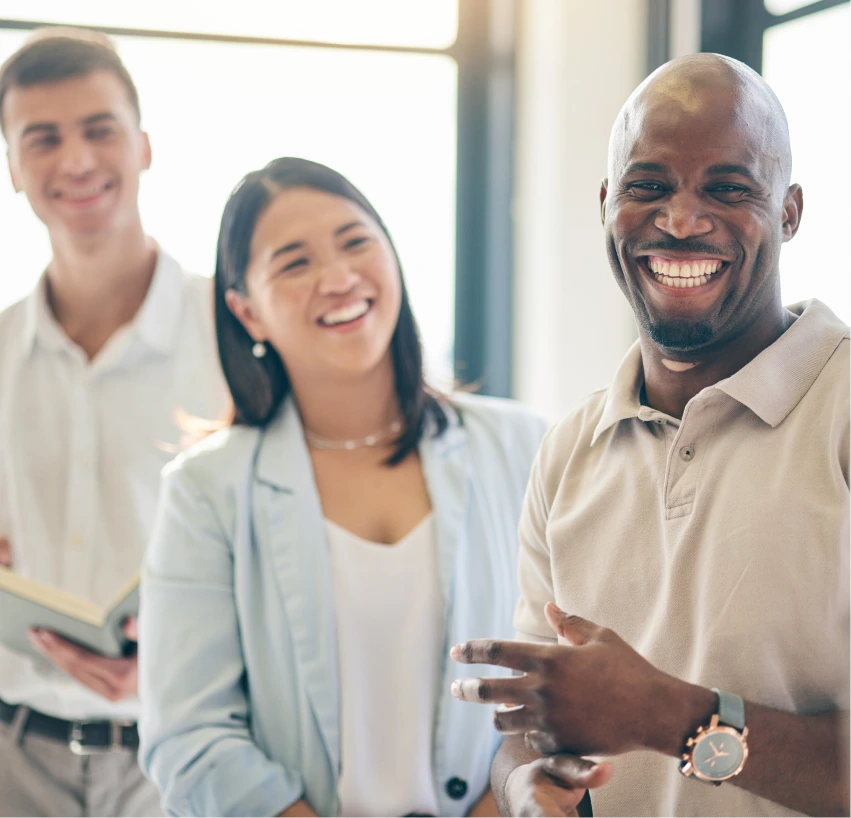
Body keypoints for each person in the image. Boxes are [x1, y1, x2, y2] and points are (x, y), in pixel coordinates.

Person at [449, 53, 851, 818]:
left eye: (728, 189)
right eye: (647, 186)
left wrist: (665, 717)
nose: (680, 220)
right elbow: (529, 733)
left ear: (790, 212)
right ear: (607, 202)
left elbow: (640, 712)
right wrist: (521, 785)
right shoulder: (569, 451)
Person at [137, 156, 548, 818]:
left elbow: (572, 676)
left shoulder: (526, 445)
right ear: (247, 312)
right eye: (294, 263)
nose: (337, 277)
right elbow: (188, 737)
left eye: (356, 242)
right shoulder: (205, 489)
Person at [0, 29, 225, 817]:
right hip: (11, 756)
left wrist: (170, 662)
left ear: (144, 147)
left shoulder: (233, 334)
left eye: (99, 130)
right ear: (12, 167)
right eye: (43, 138)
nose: (77, 161)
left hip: (180, 755)